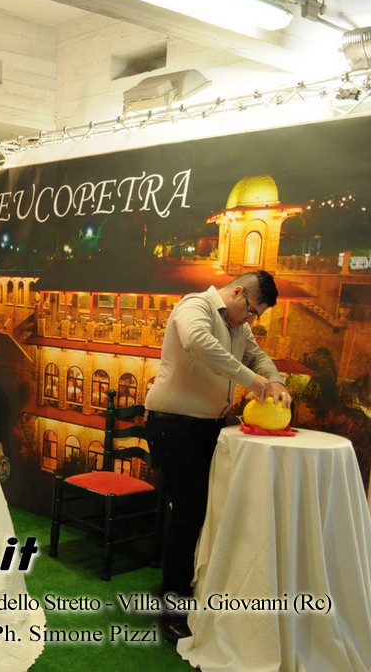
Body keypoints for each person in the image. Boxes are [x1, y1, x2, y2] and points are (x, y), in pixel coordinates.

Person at [144, 270, 290, 643]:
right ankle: (172, 607)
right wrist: (252, 381)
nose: (250, 320)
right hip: (173, 426)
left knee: (207, 511)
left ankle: (197, 589)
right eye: (252, 311)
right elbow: (200, 343)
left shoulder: (239, 327)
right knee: (189, 513)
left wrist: (274, 380)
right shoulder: (195, 306)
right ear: (239, 292)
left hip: (208, 428)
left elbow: (258, 357)